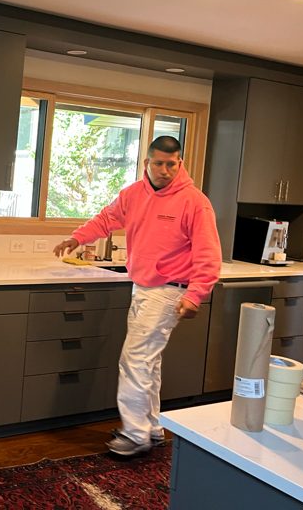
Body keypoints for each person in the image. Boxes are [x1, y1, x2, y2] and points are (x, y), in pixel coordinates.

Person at [53, 135, 221, 456]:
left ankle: (135, 434)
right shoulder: (133, 194)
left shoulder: (194, 202)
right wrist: (76, 238)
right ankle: (151, 427)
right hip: (143, 288)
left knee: (135, 361)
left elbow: (208, 254)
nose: (165, 170)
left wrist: (196, 294)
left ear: (180, 163)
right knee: (148, 362)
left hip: (169, 291)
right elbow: (107, 219)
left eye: (172, 164)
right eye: (159, 163)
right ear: (147, 162)